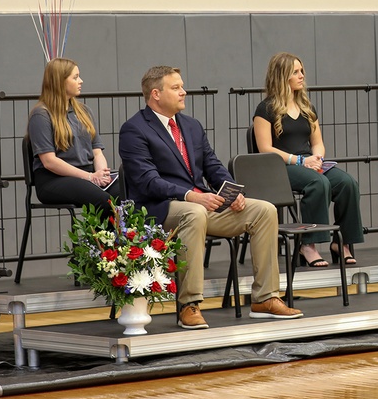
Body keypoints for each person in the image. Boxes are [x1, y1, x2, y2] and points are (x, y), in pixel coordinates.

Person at [119, 66, 302, 329]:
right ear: (156, 94)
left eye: (182, 86)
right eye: (176, 87)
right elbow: (147, 182)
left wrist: (234, 193)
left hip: (200, 206)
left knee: (264, 210)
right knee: (194, 212)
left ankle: (265, 298)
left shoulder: (192, 126)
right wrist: (191, 196)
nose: (184, 92)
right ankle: (189, 305)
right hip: (159, 210)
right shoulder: (134, 129)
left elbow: (214, 167)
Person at [253, 52, 364, 267]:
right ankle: (308, 245)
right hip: (281, 166)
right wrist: (300, 161)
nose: (302, 75)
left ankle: (341, 243)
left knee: (347, 183)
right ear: (282, 76)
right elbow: (265, 148)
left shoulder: (307, 107)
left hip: (308, 162)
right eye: (295, 72)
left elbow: (317, 142)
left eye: (301, 70)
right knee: (318, 182)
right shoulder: (265, 109)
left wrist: (318, 158)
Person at [26, 59, 119, 214]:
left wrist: (102, 175)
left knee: (128, 192)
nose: (81, 81)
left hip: (88, 174)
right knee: (104, 201)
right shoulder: (41, 115)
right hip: (53, 179)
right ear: (60, 82)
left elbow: (97, 152)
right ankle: (100, 239)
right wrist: (90, 177)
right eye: (75, 77)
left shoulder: (84, 111)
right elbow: (49, 162)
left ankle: (122, 238)